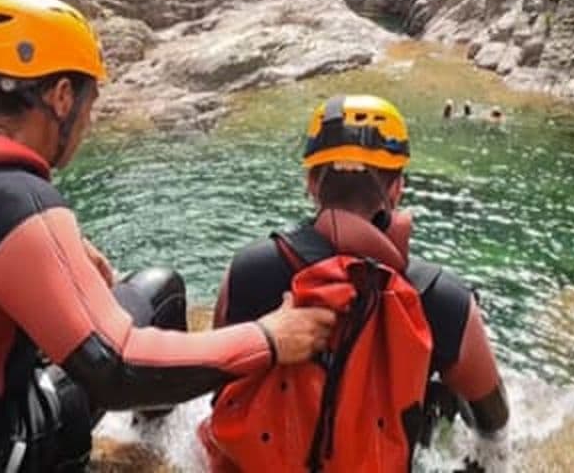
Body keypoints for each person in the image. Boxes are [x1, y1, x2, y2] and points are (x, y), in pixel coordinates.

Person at [0, 0, 335, 473]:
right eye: (91, 103)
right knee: (159, 292)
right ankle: (157, 442)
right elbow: (117, 368)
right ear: (63, 96)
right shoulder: (13, 203)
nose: (89, 121)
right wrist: (269, 337)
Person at [200, 95, 509, 472]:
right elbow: (493, 422)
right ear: (397, 188)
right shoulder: (440, 296)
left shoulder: (250, 269)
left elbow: (220, 385)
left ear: (312, 182)